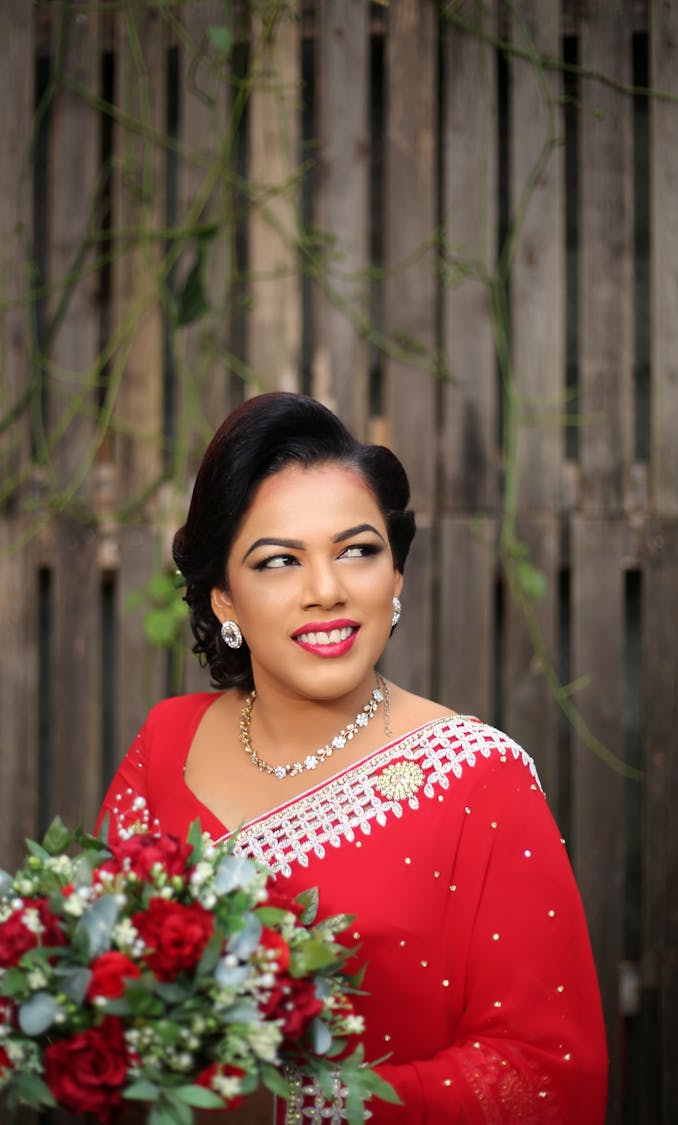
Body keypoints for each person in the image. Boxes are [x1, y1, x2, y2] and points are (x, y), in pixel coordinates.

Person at [97, 391, 608, 1123]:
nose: (327, 590)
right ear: (224, 600)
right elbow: (96, 998)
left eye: (358, 550)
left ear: (395, 574)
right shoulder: (164, 744)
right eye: (279, 561)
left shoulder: (476, 775)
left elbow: (545, 1071)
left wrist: (300, 1106)